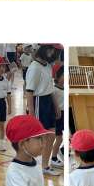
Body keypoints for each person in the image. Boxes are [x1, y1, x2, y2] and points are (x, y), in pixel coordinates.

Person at [25, 44, 63, 176]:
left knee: (51, 136)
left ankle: (45, 166)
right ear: (47, 49)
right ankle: (30, 164)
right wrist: (31, 114)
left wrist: (56, 106)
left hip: (48, 102)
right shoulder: (34, 67)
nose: (55, 55)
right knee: (38, 138)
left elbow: (50, 88)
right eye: (54, 52)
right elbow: (29, 91)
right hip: (38, 102)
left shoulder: (47, 66)